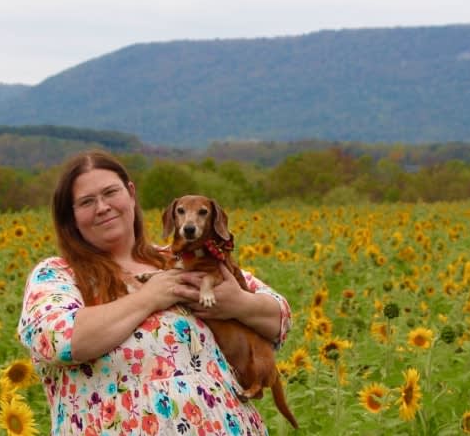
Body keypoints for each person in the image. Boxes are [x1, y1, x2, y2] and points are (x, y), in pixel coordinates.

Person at [17, 150, 292, 435]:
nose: (102, 207)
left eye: (111, 192)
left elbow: (280, 318)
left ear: (131, 194)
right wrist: (150, 297)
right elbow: (60, 341)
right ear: (70, 216)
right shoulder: (57, 275)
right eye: (87, 202)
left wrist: (238, 304)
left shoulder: (180, 259)